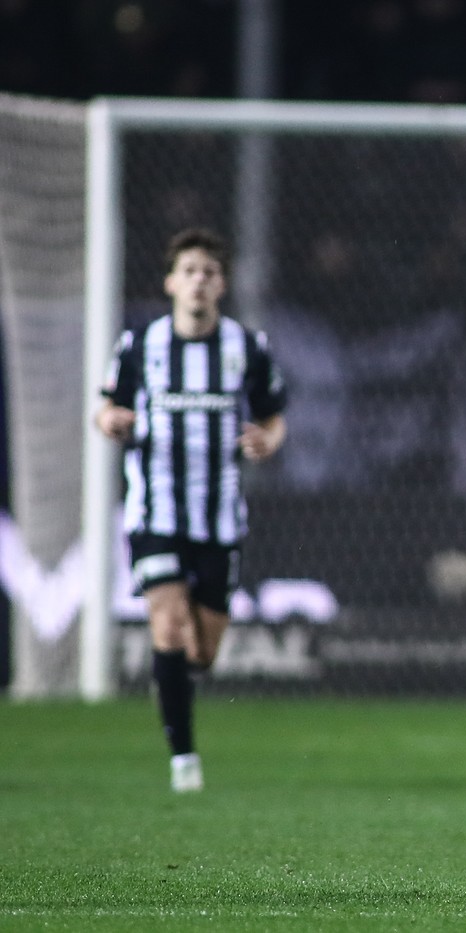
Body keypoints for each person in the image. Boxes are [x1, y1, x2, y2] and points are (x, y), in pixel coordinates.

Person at [96, 227, 288, 793]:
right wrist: (110, 421)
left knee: (202, 651)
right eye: (189, 271)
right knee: (168, 623)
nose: (199, 281)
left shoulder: (246, 347)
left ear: (221, 284)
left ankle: (175, 676)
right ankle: (183, 757)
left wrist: (268, 441)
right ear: (170, 282)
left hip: (218, 517)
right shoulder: (140, 346)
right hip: (154, 513)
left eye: (208, 271)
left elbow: (275, 415)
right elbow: (109, 409)